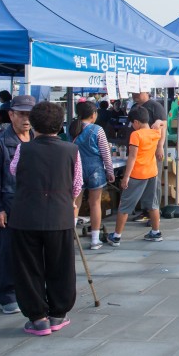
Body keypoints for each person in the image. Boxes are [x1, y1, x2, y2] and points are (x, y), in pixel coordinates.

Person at [4, 101, 82, 336]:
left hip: (26, 215)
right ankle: (58, 313)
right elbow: (77, 185)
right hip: (59, 214)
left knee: (28, 267)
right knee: (61, 266)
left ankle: (38, 317)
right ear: (60, 125)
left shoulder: (23, 148)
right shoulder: (71, 150)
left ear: (34, 124)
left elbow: (14, 171)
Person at [0, 95, 35, 314]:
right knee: (8, 252)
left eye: (30, 114)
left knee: (32, 250)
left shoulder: (37, 138)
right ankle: (6, 294)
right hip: (10, 204)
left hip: (34, 205)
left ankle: (29, 290)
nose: (26, 119)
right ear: (11, 114)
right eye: (22, 114)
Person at [107, 107, 165, 246]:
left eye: (132, 123)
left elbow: (132, 157)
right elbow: (163, 123)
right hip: (152, 172)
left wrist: (125, 177)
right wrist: (157, 122)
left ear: (137, 122)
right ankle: (156, 232)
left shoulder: (136, 135)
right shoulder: (155, 132)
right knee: (153, 204)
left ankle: (116, 236)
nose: (132, 126)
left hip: (137, 174)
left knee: (125, 205)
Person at [69, 101, 115, 250]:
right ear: (93, 114)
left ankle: (69, 238)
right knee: (95, 204)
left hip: (76, 169)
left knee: (75, 204)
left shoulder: (71, 128)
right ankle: (95, 240)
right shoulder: (97, 129)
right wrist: (110, 171)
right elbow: (105, 153)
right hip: (95, 169)